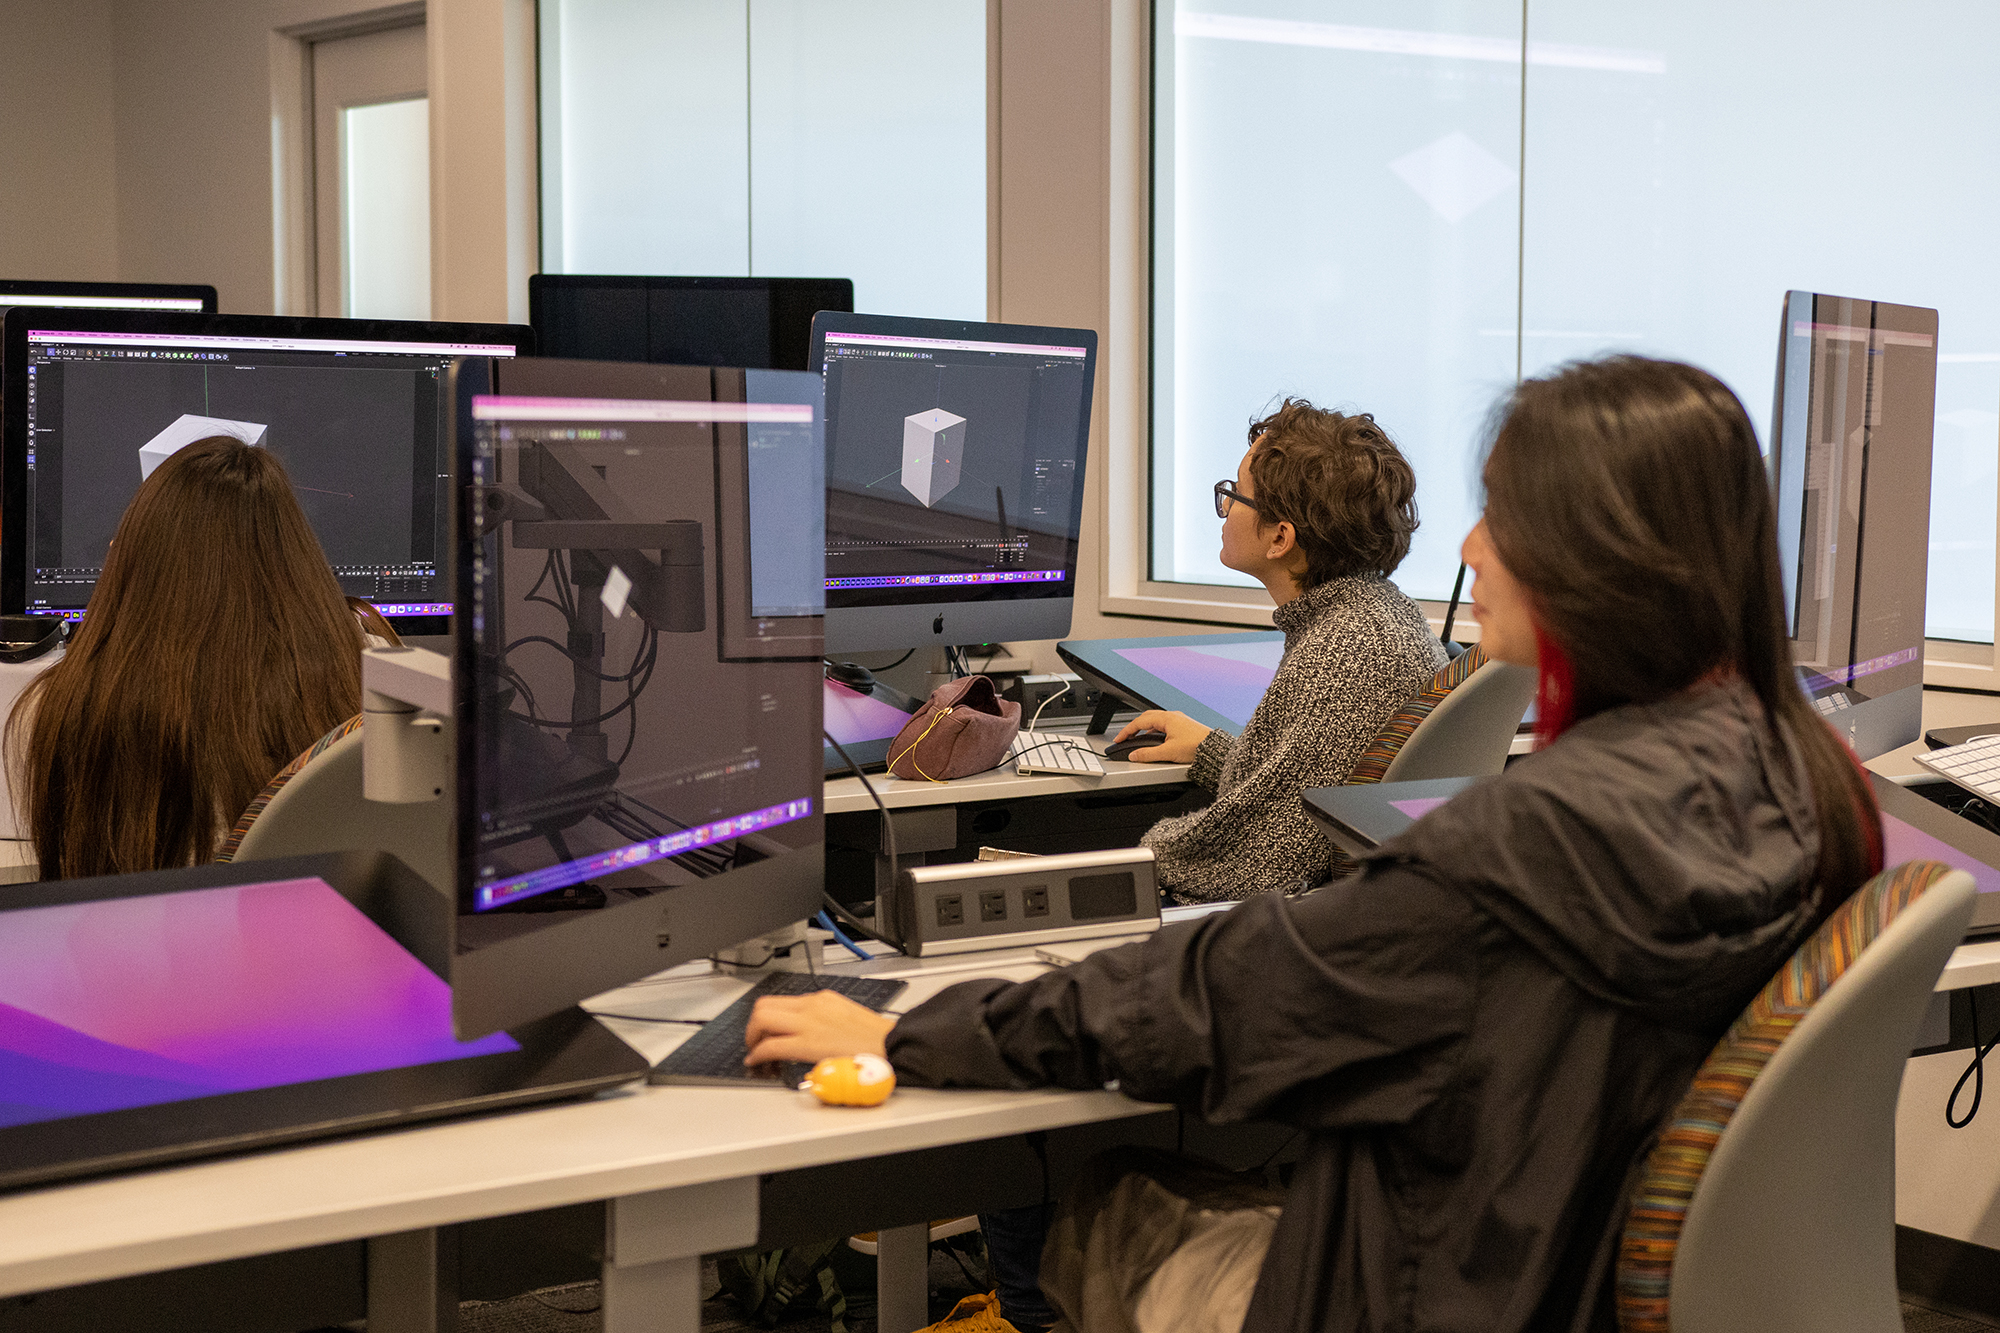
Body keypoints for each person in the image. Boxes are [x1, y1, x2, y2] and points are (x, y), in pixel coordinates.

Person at [744, 356, 1882, 1333]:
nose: (1473, 547)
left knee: (1092, 1186)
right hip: (1563, 1270)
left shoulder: (1522, 846)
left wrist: (911, 1024)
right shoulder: (1798, 784)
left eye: (1505, 515)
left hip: (1425, 1288)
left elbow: (1216, 995)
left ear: (1602, 559)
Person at [8, 436, 396, 879]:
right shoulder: (369, 672)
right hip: (313, 937)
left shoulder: (60, 705)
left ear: (129, 556)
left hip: (140, 942)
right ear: (298, 555)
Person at [1111, 399, 1446, 901]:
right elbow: (1313, 786)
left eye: (1235, 495)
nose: (1224, 510)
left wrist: (1129, 861)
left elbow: (1263, 863)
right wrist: (1216, 753)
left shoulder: (1348, 652)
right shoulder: (1374, 614)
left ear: (1280, 537)